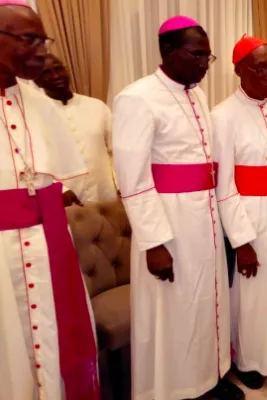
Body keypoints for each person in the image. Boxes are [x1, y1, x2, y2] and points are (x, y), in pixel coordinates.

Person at [112, 16, 243, 400]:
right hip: (168, 222)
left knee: (204, 303)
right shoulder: (136, 98)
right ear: (167, 51)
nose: (205, 63)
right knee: (174, 311)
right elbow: (132, 179)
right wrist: (154, 243)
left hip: (203, 217)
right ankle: (175, 390)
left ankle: (206, 379)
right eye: (196, 54)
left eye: (208, 55)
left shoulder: (196, 93)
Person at [0, 1, 99, 399]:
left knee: (53, 350)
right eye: (30, 39)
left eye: (44, 39)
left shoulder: (41, 104)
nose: (43, 50)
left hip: (46, 249)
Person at [212, 35, 267, 390]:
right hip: (247, 214)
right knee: (250, 293)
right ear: (238, 70)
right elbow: (224, 185)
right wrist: (242, 241)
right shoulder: (222, 115)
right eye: (261, 68)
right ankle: (247, 358)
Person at [35, 54, 118, 205]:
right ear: (37, 81)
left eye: (59, 69)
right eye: (46, 73)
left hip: (106, 197)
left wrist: (119, 184)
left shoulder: (97, 107)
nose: (56, 76)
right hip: (66, 203)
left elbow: (115, 151)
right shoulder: (35, 115)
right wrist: (62, 191)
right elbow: (35, 163)